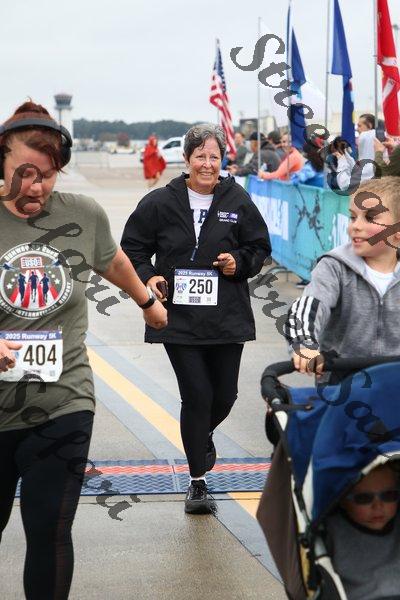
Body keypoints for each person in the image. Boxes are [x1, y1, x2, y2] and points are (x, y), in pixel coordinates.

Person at [0, 101, 167, 600]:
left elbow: (111, 260)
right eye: (24, 173)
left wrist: (146, 302)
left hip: (63, 402)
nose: (36, 187)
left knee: (50, 531)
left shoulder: (82, 214)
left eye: (48, 175)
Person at [121, 124, 271, 514]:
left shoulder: (238, 200)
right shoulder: (160, 202)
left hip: (226, 316)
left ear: (223, 160)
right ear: (186, 159)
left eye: (214, 157)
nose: (207, 164)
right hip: (178, 317)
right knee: (197, 395)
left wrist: (239, 261)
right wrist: (148, 276)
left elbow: (259, 247)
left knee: (225, 395)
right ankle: (198, 482)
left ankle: (201, 434)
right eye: (200, 156)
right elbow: (132, 247)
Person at [285, 176, 400, 378]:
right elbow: (308, 306)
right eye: (353, 217)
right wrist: (304, 343)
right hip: (343, 382)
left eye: (370, 218)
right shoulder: (334, 266)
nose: (356, 226)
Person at [326, 463, 400, 599]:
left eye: (388, 495)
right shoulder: (331, 531)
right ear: (342, 501)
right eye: (363, 498)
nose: (378, 506)